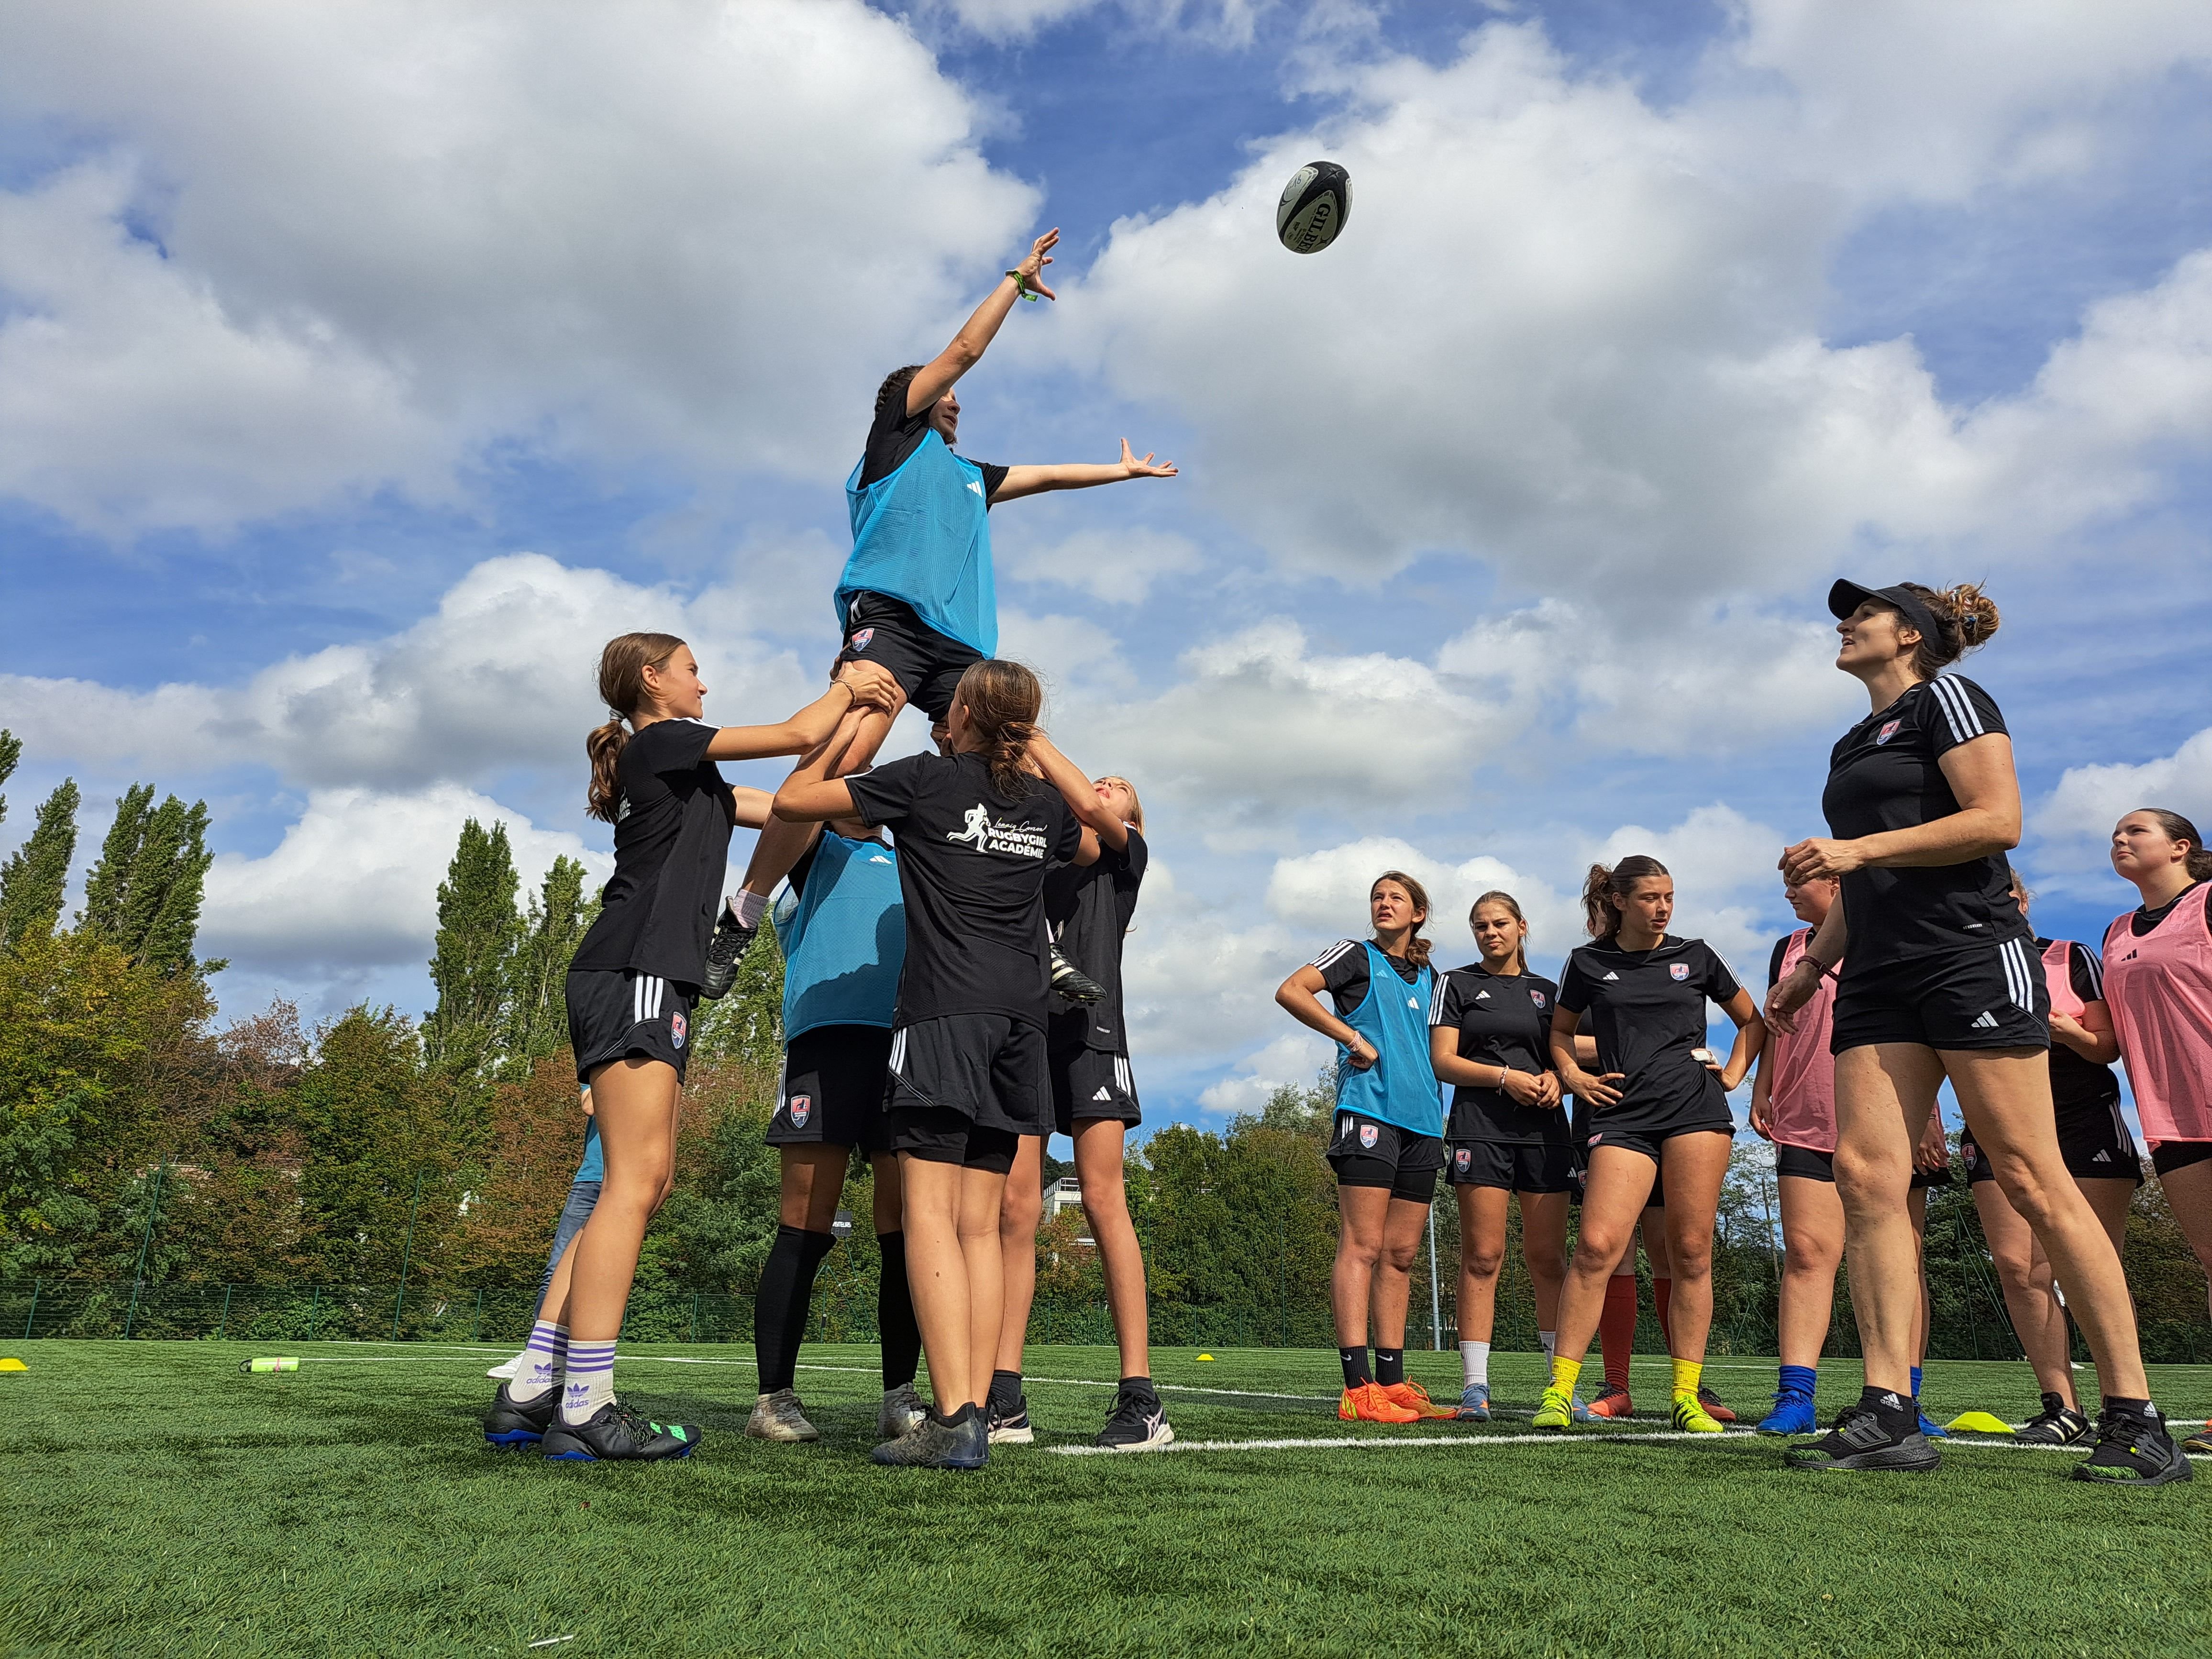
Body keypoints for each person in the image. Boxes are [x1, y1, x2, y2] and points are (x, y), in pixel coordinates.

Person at [1769, 580, 2187, 1482]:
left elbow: (1997, 821)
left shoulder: (1949, 698)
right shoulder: (1851, 741)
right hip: (1875, 972)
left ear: (1909, 635)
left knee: (2033, 1177)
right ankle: (1888, 1409)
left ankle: (2132, 1413)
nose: (1843, 624)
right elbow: (1865, 879)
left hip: (1966, 955)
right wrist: (1809, 968)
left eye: (1862, 613)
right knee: (1864, 1176)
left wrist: (1852, 853)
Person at [708, 230, 1177, 979]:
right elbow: (961, 350)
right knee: (844, 759)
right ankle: (744, 911)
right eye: (942, 392)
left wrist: (1120, 473)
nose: (955, 398)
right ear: (908, 400)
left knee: (1006, 778)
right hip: (891, 620)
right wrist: (1016, 285)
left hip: (959, 648)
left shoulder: (970, 478)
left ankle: (1035, 941)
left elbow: (1047, 476)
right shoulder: (896, 443)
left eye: (956, 396)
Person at [482, 632, 899, 1462]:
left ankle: (532, 1384)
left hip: (646, 976)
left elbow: (791, 801)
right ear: (652, 679)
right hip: (633, 967)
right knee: (632, 1184)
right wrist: (850, 686)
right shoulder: (660, 740)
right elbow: (791, 734)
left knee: (635, 1183)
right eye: (692, 669)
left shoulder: (688, 773)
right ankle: (587, 1401)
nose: (703, 683)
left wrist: (869, 740)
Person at [773, 659, 1082, 1470]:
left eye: (948, 704)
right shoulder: (1044, 804)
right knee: (981, 1224)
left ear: (971, 711)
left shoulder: (922, 781)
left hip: (944, 1012)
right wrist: (1037, 748)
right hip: (1021, 1022)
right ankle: (972, 1405)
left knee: (931, 1216)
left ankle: (951, 1420)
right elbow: (1095, 833)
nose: (936, 712)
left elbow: (795, 800)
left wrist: (850, 711)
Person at [745, 705, 925, 1446]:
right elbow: (798, 787)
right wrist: (870, 704)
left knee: (906, 1233)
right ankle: (773, 1399)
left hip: (907, 1049)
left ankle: (900, 1396)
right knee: (805, 1226)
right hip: (825, 1044)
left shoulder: (916, 859)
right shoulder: (810, 845)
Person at [1536, 858, 1764, 1436]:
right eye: (1649, 898)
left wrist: (1734, 1076)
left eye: (1669, 897)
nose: (1662, 908)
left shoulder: (1699, 955)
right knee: (1595, 1247)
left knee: (1690, 1251)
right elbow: (1558, 1032)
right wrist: (1573, 1077)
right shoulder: (1587, 962)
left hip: (1695, 1113)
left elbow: (1753, 1022)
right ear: (1617, 901)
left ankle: (1685, 1396)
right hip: (1622, 1117)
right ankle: (1561, 1391)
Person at [990, 747, 1172, 1451]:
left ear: (1134, 814)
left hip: (1094, 1035)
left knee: (1102, 1198)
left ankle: (1141, 1397)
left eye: (1120, 786)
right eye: (1099, 779)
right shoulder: (1039, 845)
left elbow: (1092, 809)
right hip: (1029, 1033)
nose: (1104, 785)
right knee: (1015, 1208)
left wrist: (1027, 733)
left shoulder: (1124, 857)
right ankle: (1005, 1395)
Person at [1748, 874, 1949, 1437]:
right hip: (1806, 1120)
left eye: (1798, 882)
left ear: (1837, 883)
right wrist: (1763, 1088)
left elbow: (1921, 1028)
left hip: (1890, 1124)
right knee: (1808, 1254)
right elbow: (1774, 1024)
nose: (1787, 892)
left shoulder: (1891, 931)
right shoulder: (1787, 950)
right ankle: (1795, 1397)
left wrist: (1929, 1116)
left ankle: (1903, 1397)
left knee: (1902, 1262)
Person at [1952, 871, 2140, 1445]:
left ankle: (2126, 1404)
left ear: (2022, 901)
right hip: (1996, 1123)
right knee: (2018, 1266)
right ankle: (2062, 1407)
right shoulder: (1957, 967)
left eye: (2003, 894)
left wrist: (2060, 1031)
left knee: (2091, 1260)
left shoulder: (2068, 956)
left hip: (2082, 1119)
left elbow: (2107, 1045)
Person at [1276, 872, 1455, 1426]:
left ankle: (1392, 1382)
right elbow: (1290, 990)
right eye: (1377, 897)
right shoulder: (1355, 956)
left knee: (1401, 1256)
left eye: (1395, 898)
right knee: (1362, 1246)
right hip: (1369, 1114)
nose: (1383, 903)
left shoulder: (1433, 977)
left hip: (1424, 1124)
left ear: (1419, 913)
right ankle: (1357, 1388)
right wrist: (1350, 1037)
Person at [1427, 892, 1573, 1421]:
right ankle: (1475, 1388)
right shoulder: (1457, 983)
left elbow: (1566, 1056)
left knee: (1549, 1259)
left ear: (1521, 927)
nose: (1491, 933)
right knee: (1483, 1257)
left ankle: (1562, 1386)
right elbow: (1443, 1060)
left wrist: (1559, 1079)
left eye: (1500, 924)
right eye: (1480, 926)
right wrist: (1505, 1078)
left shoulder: (1548, 992)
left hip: (1545, 1135)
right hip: (1480, 1129)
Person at [2102, 807, 2212, 1456]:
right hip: (2170, 1114)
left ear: (2180, 847)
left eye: (2135, 831)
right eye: (2114, 833)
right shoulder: (2116, 931)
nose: (2120, 839)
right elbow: (2112, 1036)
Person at [486, 1091, 601, 1390]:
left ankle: (581, 1363)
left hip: (630, 1179)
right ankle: (536, 1356)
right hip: (591, 1179)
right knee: (558, 1267)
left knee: (603, 1275)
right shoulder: (599, 1056)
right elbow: (589, 1105)